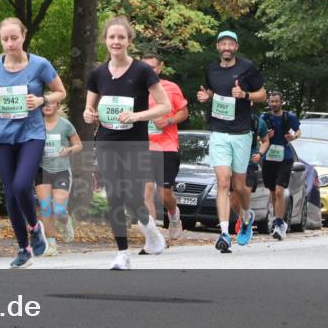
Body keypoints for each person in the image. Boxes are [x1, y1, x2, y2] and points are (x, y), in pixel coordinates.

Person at [0, 18, 67, 268]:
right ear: (0, 39)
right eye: (5, 39)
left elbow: (61, 91)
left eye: (14, 38)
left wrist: (41, 100)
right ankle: (23, 248)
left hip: (32, 134)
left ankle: (34, 227)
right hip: (4, 137)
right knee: (10, 194)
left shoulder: (40, 65)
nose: (9, 44)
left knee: (20, 186)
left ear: (24, 36)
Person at [84, 17, 170, 270]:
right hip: (107, 142)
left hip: (134, 143)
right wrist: (89, 114)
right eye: (112, 37)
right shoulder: (98, 73)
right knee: (115, 196)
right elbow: (89, 109)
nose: (116, 41)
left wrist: (136, 116)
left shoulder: (142, 71)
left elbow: (165, 106)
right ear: (106, 41)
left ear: (129, 41)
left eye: (121, 37)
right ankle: (123, 253)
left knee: (133, 198)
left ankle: (151, 232)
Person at [196, 31, 266, 253]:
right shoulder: (210, 69)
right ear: (218, 47)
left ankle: (246, 217)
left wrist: (245, 95)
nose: (226, 47)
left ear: (235, 46)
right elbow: (209, 91)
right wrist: (205, 97)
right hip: (218, 131)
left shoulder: (247, 67)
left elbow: (262, 95)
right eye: (222, 43)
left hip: (242, 132)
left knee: (239, 186)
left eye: (230, 43)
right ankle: (224, 233)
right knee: (223, 181)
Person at [140, 52, 189, 242]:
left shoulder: (170, 88)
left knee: (164, 194)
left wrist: (168, 120)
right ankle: (153, 237)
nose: (148, 71)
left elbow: (184, 113)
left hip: (166, 147)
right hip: (143, 146)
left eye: (152, 67)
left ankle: (174, 214)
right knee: (146, 191)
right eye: (145, 67)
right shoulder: (135, 89)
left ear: (159, 68)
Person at [35, 98, 82, 256]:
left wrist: (68, 150)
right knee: (46, 207)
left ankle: (65, 222)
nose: (47, 106)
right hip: (41, 170)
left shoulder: (65, 125)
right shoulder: (36, 123)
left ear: (58, 105)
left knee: (59, 210)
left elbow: (78, 145)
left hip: (61, 170)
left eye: (51, 103)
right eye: (44, 103)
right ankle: (51, 245)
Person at [258, 91, 301, 240]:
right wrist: (264, 137)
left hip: (285, 158)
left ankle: (278, 223)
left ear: (282, 102)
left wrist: (293, 136)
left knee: (279, 191)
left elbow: (298, 131)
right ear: (268, 103)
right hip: (269, 158)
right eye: (272, 102)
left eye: (277, 101)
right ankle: (278, 221)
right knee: (272, 193)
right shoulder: (264, 118)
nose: (274, 104)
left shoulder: (289, 117)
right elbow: (257, 135)